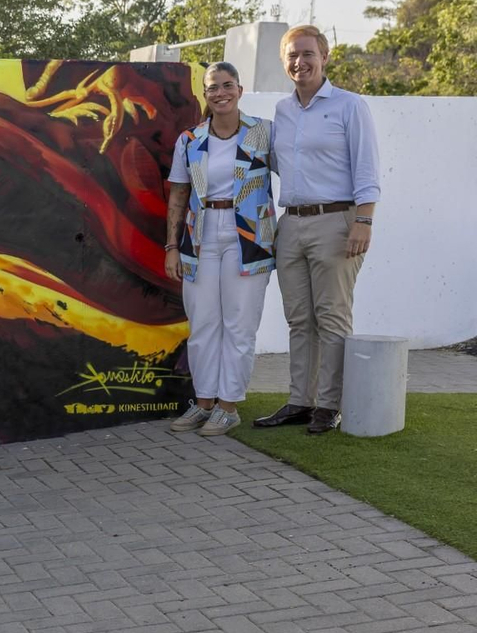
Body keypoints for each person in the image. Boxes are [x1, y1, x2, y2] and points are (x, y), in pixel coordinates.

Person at [255, 25, 381, 435]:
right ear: (284, 62)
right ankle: (300, 401)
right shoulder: (283, 111)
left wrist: (363, 221)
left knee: (331, 316)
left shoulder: (349, 106)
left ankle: (328, 405)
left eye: (308, 53)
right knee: (299, 319)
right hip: (291, 223)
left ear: (325, 57)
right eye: (292, 55)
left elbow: (367, 169)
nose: (300, 62)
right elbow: (277, 164)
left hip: (338, 221)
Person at [163, 63, 275, 436]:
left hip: (250, 238)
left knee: (239, 325)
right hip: (200, 237)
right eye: (213, 87)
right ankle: (205, 402)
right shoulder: (190, 139)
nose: (220, 93)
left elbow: (294, 174)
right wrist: (171, 247)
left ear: (240, 90)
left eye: (228, 86)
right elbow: (179, 194)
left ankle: (229, 406)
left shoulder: (263, 132)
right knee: (203, 324)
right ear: (205, 94)